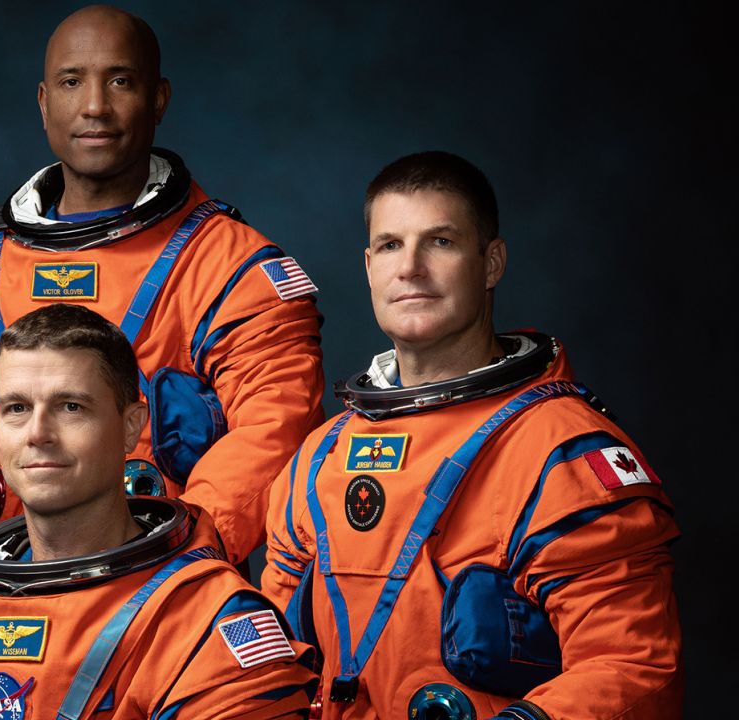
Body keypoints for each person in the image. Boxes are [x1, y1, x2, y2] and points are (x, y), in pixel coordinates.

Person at [0, 5, 324, 565]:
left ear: (159, 100)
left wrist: (170, 564)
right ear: (45, 103)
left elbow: (274, 431)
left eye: (120, 81)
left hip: (161, 595)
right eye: (72, 82)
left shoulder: (232, 270)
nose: (95, 106)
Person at [263, 151, 682, 720]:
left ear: (491, 263)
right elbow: (269, 665)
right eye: (390, 245)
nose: (409, 267)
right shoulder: (321, 456)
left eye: (440, 242)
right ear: (368, 266)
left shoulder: (561, 452)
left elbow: (632, 668)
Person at [0, 303, 318, 719]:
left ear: (131, 426)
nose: (37, 433)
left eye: (70, 407)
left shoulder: (206, 623)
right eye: (16, 408)